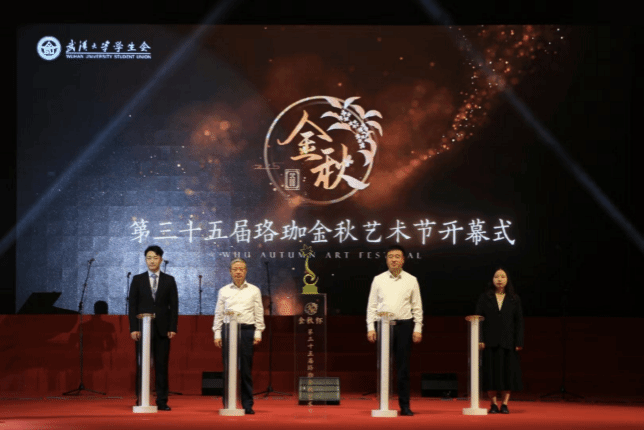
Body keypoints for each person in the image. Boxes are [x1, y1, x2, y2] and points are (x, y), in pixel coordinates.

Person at [366, 245, 423, 416]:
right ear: (386, 260)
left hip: (404, 326)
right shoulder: (378, 279)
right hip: (383, 326)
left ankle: (404, 406)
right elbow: (372, 306)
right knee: (384, 366)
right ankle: (383, 404)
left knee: (403, 368)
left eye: (397, 256)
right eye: (390, 256)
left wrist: (418, 328)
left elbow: (417, 306)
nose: (394, 259)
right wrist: (370, 327)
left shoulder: (411, 280)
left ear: (403, 260)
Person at [128, 245, 178, 411]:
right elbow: (132, 306)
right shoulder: (138, 279)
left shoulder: (169, 280)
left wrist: (172, 327)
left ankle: (162, 401)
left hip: (163, 329)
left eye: (155, 258)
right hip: (142, 329)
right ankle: (141, 398)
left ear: (161, 260)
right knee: (142, 365)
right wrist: (133, 328)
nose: (152, 261)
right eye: (149, 258)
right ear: (145, 260)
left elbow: (174, 306)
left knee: (162, 366)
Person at [213, 258, 265, 415]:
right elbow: (219, 313)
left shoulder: (254, 290)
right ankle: (227, 403)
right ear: (230, 272)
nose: (238, 272)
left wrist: (258, 331)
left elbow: (259, 312)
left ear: (246, 271)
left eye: (241, 269)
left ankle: (247, 404)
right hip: (228, 330)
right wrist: (217, 333)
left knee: (246, 369)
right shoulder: (224, 291)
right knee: (228, 368)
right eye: (235, 269)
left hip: (247, 330)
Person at [475, 267, 524, 414]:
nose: (500, 280)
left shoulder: (514, 298)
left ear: (507, 279)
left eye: (503, 277)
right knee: (491, 374)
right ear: (492, 279)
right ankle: (493, 405)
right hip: (489, 342)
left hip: (508, 342)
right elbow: (478, 320)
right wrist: (480, 339)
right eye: (497, 277)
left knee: (507, 374)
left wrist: (519, 341)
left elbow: (519, 322)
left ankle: (505, 404)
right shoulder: (485, 297)